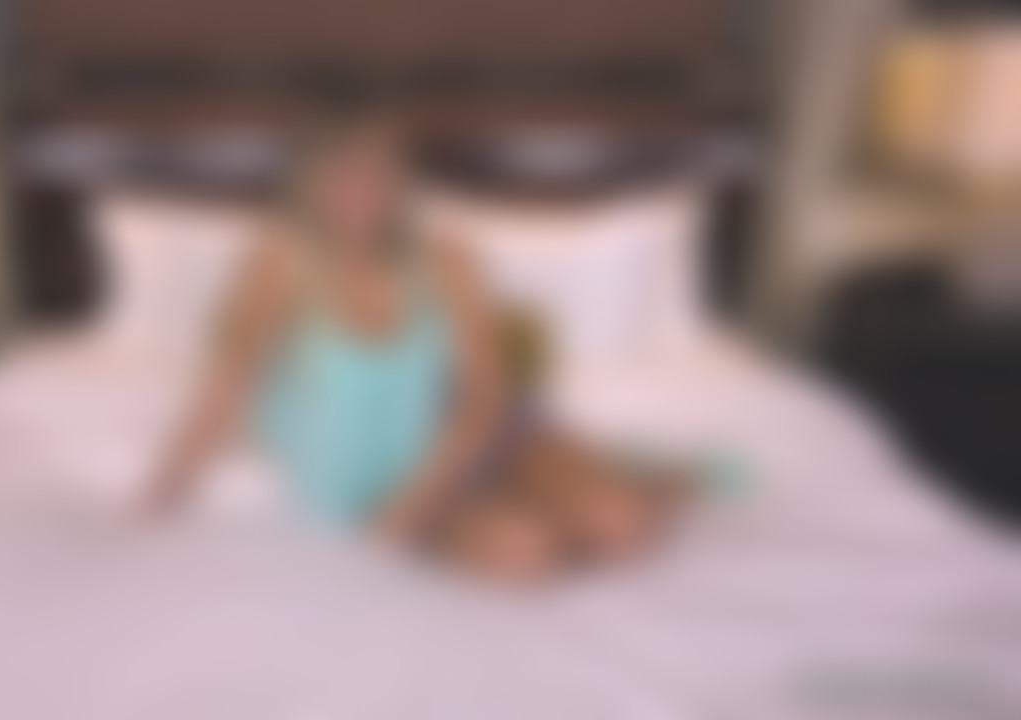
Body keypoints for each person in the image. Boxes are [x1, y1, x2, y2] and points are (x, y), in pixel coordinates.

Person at [147, 109, 689, 582]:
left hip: (479, 439)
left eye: (377, 172)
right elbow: (224, 390)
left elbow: (485, 395)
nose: (359, 190)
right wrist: (159, 500)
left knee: (622, 526)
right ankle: (601, 485)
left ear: (401, 184)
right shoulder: (278, 261)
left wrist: (406, 508)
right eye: (339, 171)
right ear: (307, 182)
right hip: (385, 488)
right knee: (524, 553)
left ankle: (622, 484)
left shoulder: (444, 257)